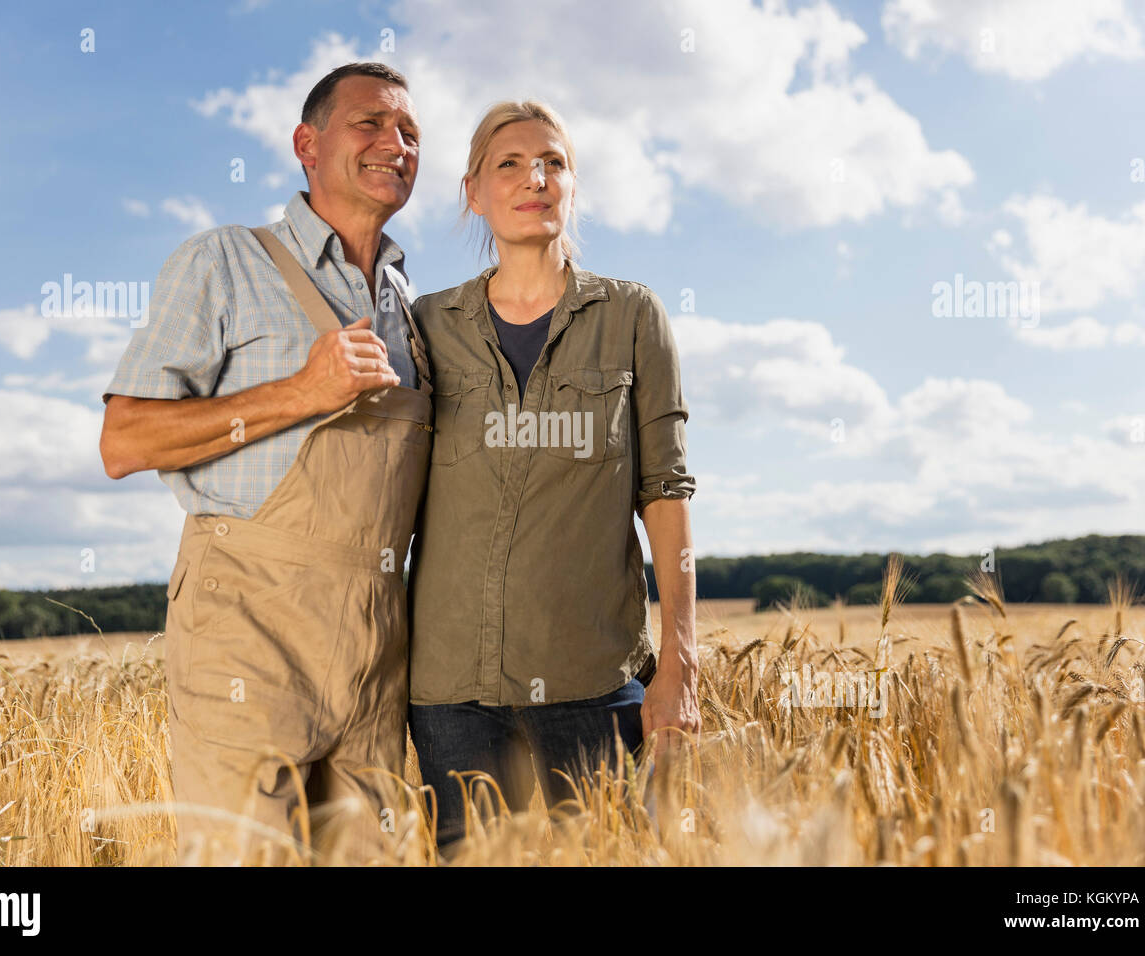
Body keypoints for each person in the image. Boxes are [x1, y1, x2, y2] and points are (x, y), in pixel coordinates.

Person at [99, 62, 429, 863]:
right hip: (248, 629)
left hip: (375, 644)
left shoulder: (411, 309)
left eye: (411, 133)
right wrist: (301, 391)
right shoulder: (225, 262)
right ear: (306, 145)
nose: (396, 144)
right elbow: (125, 441)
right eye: (371, 124)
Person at [407, 100, 700, 849]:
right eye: (509, 163)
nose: (534, 177)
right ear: (472, 192)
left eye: (554, 162)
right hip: (450, 689)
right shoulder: (428, 324)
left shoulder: (633, 316)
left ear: (572, 186)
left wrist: (679, 665)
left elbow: (664, 492)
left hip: (591, 681)